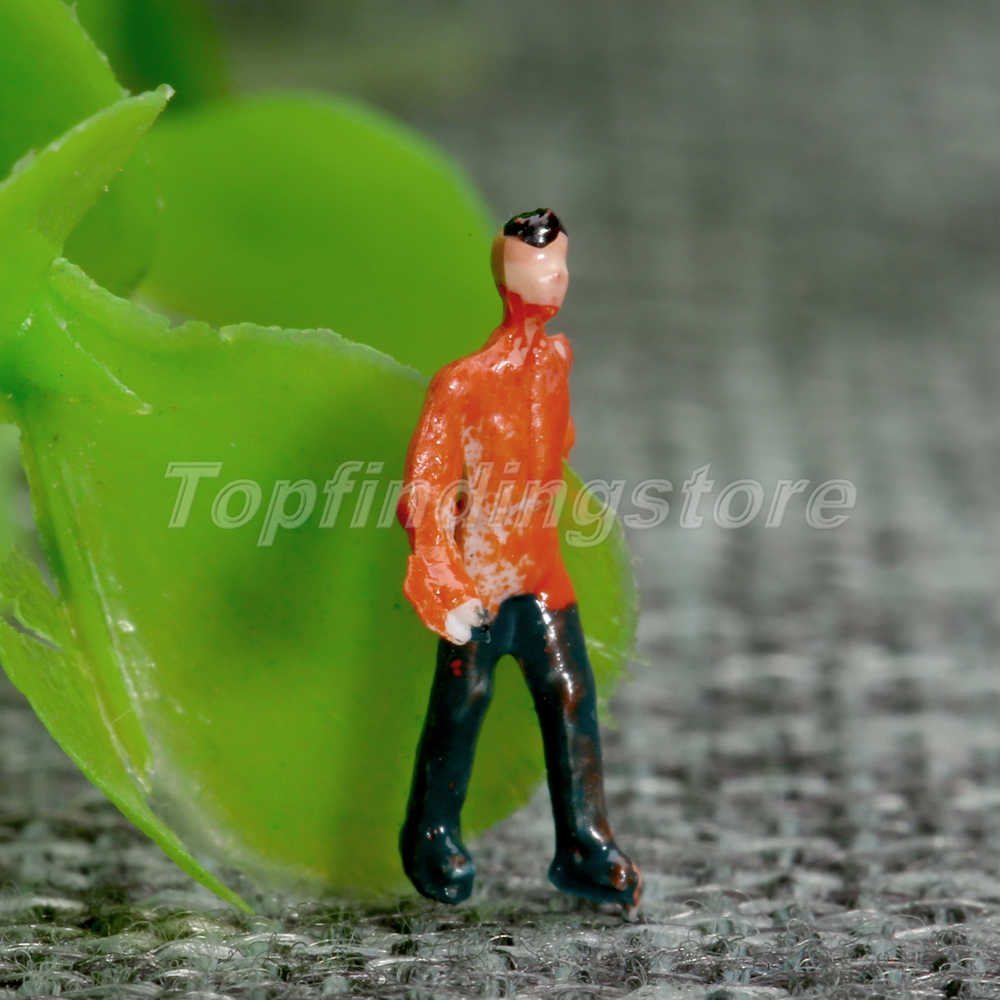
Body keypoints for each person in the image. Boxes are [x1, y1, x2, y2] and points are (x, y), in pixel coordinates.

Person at [397, 209, 641, 909]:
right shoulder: (463, 383)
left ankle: (584, 845)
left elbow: (557, 446)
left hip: (540, 576)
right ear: (506, 277)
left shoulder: (557, 363)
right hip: (479, 581)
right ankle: (431, 835)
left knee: (569, 695)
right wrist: (444, 583)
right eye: (539, 269)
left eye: (560, 267)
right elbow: (424, 491)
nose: (553, 281)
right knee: (462, 703)